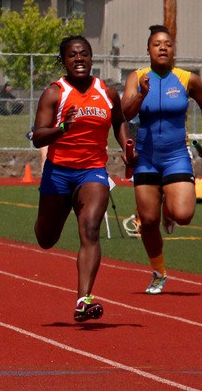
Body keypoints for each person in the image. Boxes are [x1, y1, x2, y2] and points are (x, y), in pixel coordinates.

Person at [31, 35, 135, 322]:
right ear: (64, 61)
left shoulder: (107, 92)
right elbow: (37, 136)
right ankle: (43, 223)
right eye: (73, 55)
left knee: (90, 229)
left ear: (92, 58)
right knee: (46, 238)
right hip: (58, 173)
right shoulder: (55, 92)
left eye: (85, 54)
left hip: (92, 171)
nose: (79, 59)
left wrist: (127, 147)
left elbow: (120, 122)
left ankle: (83, 300)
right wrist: (62, 127)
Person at [121, 24, 202, 295]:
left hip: (176, 155)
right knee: (147, 222)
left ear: (173, 50)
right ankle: (158, 272)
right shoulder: (136, 77)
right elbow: (125, 114)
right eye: (157, 44)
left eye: (168, 44)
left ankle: (169, 210)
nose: (163, 47)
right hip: (146, 157)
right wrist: (141, 93)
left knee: (183, 215)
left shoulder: (188, 79)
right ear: (148, 50)